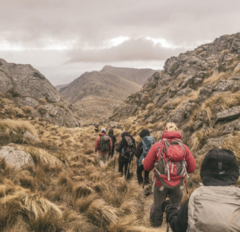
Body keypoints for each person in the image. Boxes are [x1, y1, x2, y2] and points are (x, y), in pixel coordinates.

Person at [162, 148, 240, 232]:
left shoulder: (195, 197)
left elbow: (178, 227)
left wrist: (169, 208)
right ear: (235, 172)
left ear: (204, 170)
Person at [143, 122, 196, 227]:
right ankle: (173, 225)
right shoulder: (184, 147)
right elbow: (192, 168)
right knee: (175, 206)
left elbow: (147, 167)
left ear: (164, 131)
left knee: (157, 205)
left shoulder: (157, 146)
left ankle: (155, 226)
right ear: (177, 131)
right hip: (178, 184)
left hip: (160, 183)